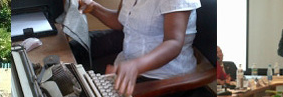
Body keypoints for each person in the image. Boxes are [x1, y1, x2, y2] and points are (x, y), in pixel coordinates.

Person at [78, 0, 211, 96]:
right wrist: (94, 8)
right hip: (129, 66)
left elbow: (173, 42)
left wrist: (136, 66)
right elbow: (122, 21)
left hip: (166, 79)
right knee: (77, 80)